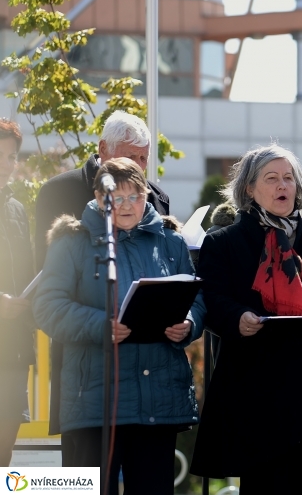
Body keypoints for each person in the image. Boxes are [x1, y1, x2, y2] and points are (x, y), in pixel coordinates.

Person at [189, 145, 302, 494]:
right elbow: (211, 297)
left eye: (289, 178)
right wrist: (237, 317)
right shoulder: (224, 241)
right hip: (258, 388)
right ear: (250, 189)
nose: (282, 185)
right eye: (271, 179)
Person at [33, 158, 204, 495]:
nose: (127, 206)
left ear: (146, 196)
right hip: (94, 401)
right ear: (99, 199)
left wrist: (189, 323)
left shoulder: (170, 242)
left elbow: (195, 296)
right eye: (117, 198)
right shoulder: (72, 241)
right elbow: (47, 306)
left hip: (158, 400)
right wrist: (101, 324)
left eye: (135, 196)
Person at [34, 110, 170, 442]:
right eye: (129, 156)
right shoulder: (59, 192)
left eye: (143, 158)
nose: (137, 167)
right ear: (103, 149)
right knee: (87, 477)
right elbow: (45, 275)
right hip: (85, 362)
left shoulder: (157, 198)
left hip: (146, 365)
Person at [0, 119, 35, 467]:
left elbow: (26, 269)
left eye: (11, 157)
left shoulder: (16, 209)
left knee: (4, 457)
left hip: (13, 348)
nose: (7, 165)